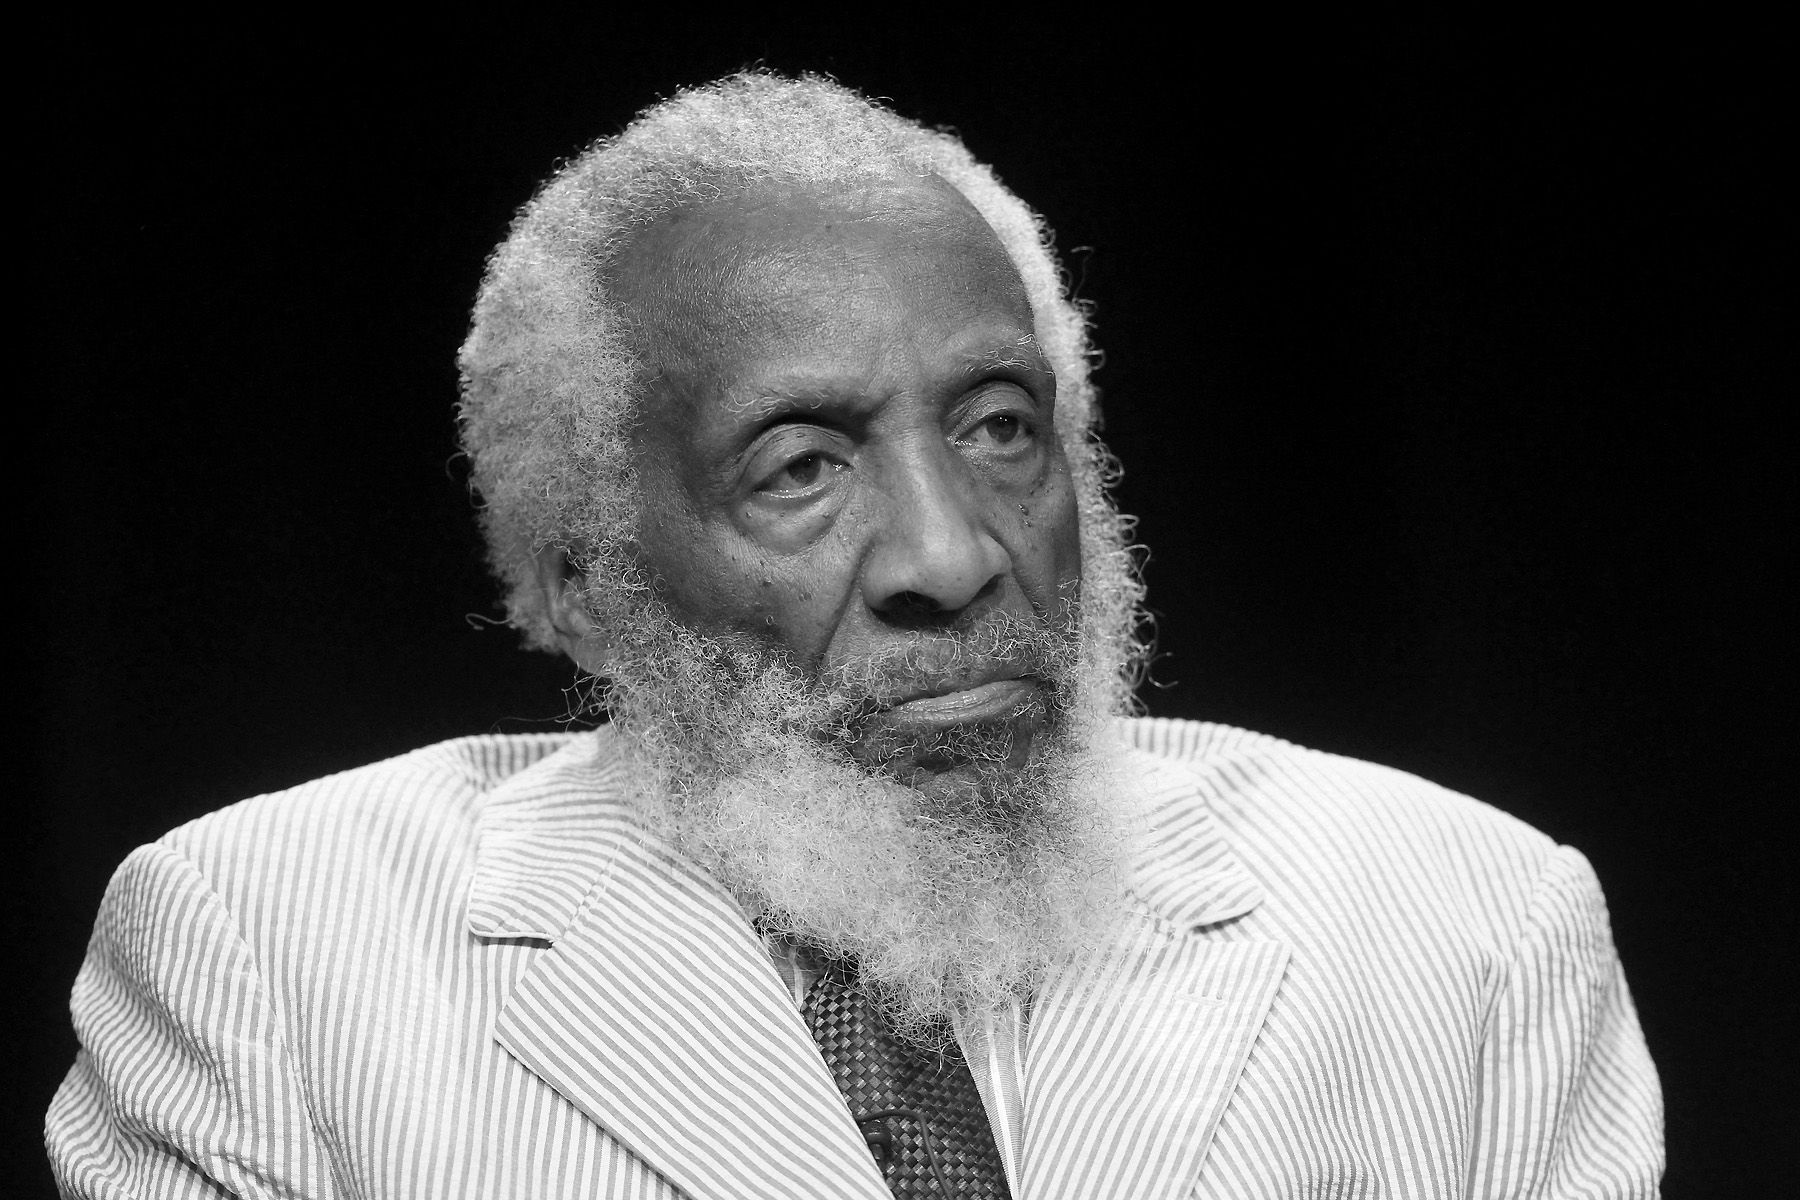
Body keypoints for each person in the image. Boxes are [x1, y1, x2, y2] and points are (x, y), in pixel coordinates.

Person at [46, 72, 1663, 1199]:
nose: (952, 558)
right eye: (801, 468)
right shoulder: (270, 960)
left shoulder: (1464, 924)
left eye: (999, 427)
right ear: (586, 583)